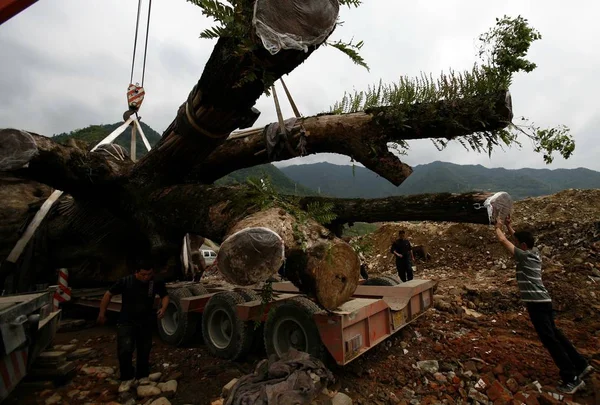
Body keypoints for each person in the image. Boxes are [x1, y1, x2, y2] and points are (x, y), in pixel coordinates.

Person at [494, 216, 592, 394]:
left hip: (537, 304)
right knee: (555, 334)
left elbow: (503, 240)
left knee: (550, 340)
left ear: (523, 246)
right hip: (545, 301)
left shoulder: (523, 257)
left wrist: (497, 227)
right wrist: (509, 226)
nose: (516, 246)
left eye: (518, 244)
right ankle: (581, 364)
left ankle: (571, 377)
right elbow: (518, 238)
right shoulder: (534, 252)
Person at [97, 264, 169, 381]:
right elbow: (108, 294)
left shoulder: (155, 282)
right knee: (125, 349)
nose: (146, 277)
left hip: (145, 320)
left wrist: (163, 308)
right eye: (143, 275)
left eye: (149, 274)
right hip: (126, 321)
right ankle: (126, 376)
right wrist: (102, 313)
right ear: (137, 273)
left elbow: (165, 296)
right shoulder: (126, 281)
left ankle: (142, 376)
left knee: (144, 349)